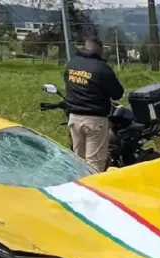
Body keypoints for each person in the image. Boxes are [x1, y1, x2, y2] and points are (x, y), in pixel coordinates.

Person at [63, 37, 125, 172]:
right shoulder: (102, 68)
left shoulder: (71, 64)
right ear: (99, 49)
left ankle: (78, 187)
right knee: (94, 164)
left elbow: (68, 86)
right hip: (94, 120)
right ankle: (92, 190)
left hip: (74, 118)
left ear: (85, 47)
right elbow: (117, 93)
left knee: (78, 161)